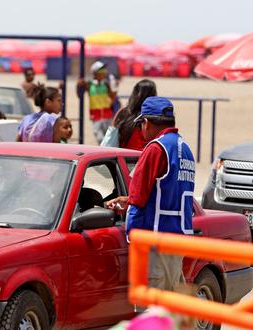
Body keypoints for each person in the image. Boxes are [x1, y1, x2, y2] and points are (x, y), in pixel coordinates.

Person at [107, 96, 195, 292]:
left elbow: (138, 199)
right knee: (170, 309)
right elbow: (166, 193)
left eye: (140, 124)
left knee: (152, 312)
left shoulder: (155, 149)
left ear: (146, 122)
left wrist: (133, 238)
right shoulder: (185, 148)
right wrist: (127, 200)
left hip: (155, 242)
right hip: (177, 240)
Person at [77, 61, 116, 144]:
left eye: (105, 71)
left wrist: (114, 88)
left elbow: (113, 96)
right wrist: (78, 85)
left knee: (109, 137)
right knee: (99, 138)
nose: (104, 73)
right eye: (101, 71)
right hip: (96, 115)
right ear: (95, 73)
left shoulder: (106, 84)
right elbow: (79, 95)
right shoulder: (90, 84)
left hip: (107, 114)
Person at [112, 79, 157, 150]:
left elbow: (111, 137)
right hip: (145, 159)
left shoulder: (123, 112)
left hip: (124, 158)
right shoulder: (156, 116)